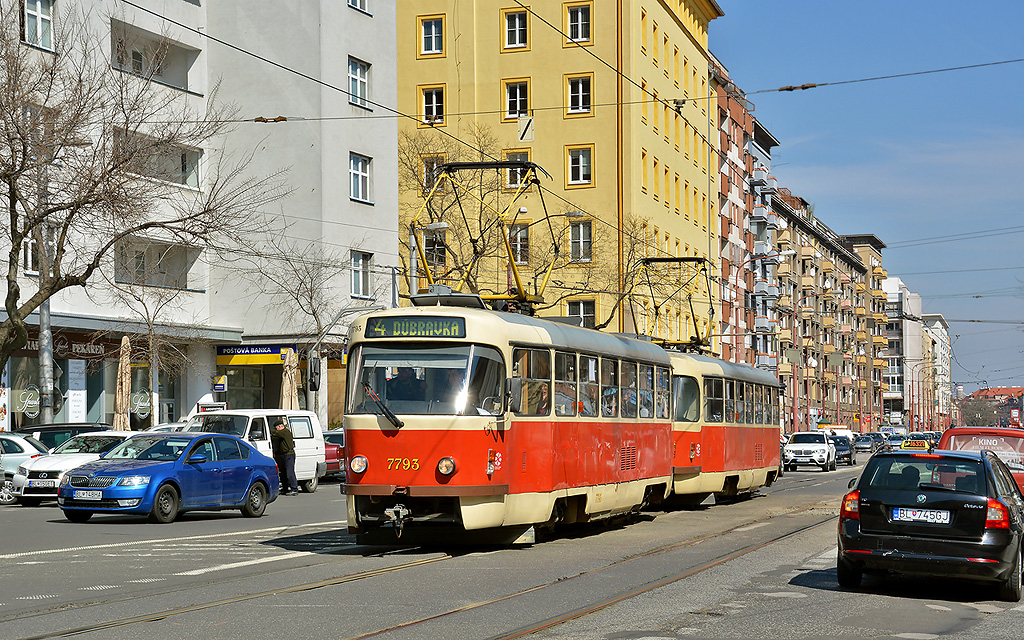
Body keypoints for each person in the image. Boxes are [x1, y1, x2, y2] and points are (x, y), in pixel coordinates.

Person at [271, 418, 299, 495]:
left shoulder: (285, 432)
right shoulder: (282, 433)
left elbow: (275, 433)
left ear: (280, 426)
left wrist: (268, 430)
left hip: (288, 455)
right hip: (282, 455)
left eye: (276, 427)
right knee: (283, 473)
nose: (276, 429)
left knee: (289, 473)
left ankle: (294, 488)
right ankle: (285, 488)